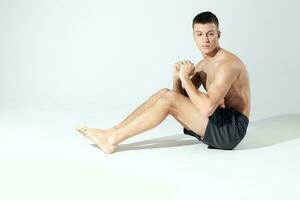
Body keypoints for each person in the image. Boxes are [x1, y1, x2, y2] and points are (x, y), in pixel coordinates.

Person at [75, 11, 251, 154]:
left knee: (168, 99)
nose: (205, 39)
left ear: (218, 34)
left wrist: (184, 78)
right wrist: (176, 77)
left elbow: (206, 108)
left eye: (210, 34)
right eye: (200, 34)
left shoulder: (226, 65)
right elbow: (179, 100)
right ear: (194, 36)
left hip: (232, 129)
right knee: (164, 94)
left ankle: (112, 138)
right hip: (218, 121)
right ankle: (111, 133)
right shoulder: (203, 65)